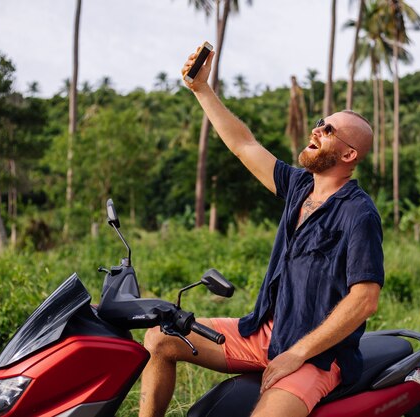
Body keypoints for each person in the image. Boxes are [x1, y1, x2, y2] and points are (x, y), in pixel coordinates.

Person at [139, 46, 384, 417]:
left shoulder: (358, 213)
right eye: (320, 121)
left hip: (316, 356)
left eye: (329, 130)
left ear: (349, 155)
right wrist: (202, 89)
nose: (317, 129)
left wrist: (297, 353)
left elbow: (364, 300)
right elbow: (244, 144)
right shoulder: (300, 186)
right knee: (161, 337)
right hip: (263, 332)